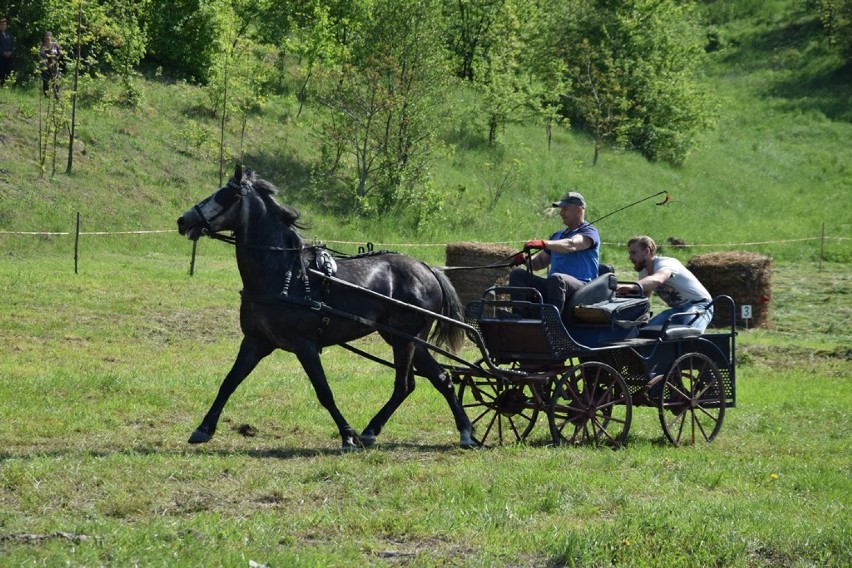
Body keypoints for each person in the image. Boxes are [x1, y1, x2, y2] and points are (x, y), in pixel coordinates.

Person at [509, 191, 601, 315]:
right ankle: (520, 316)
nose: (561, 213)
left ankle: (551, 320)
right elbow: (540, 262)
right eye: (561, 209)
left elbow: (572, 245)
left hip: (582, 289)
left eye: (565, 209)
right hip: (555, 286)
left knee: (557, 278)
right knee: (518, 274)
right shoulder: (557, 235)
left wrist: (544, 243)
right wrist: (525, 259)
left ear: (579, 210)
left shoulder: (589, 232)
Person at [616, 235, 713, 332]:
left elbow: (658, 279)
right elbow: (644, 297)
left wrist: (633, 286)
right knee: (644, 332)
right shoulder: (643, 271)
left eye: (633, 253)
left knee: (690, 332)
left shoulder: (667, 263)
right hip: (677, 310)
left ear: (647, 251)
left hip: (699, 305)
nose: (630, 258)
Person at [39, 31, 62, 98]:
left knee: (55, 81)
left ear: (52, 37)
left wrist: (54, 62)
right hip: (44, 66)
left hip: (54, 65)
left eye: (49, 36)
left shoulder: (55, 45)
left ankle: (57, 96)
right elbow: (37, 55)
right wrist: (43, 61)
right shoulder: (41, 45)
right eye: (46, 36)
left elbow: (59, 55)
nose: (47, 37)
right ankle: (47, 96)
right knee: (46, 82)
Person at [0, 17, 14, 86]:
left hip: (9, 57)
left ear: (6, 26)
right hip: (1, 57)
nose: (2, 26)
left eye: (4, 25)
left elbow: (13, 45)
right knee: (1, 72)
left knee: (9, 71)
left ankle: (8, 86)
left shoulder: (10, 35)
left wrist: (11, 52)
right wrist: (3, 52)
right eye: (1, 25)